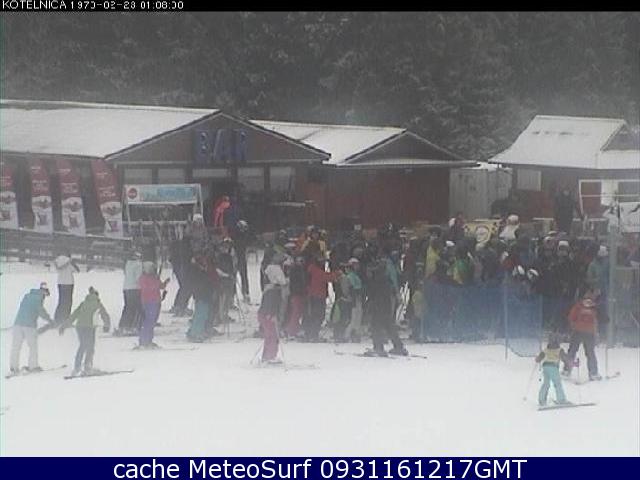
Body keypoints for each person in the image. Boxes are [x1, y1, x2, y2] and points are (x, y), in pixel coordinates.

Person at [59, 287, 110, 376]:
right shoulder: (98, 304)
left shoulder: (83, 303)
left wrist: (64, 326)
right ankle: (87, 366)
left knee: (82, 346)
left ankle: (77, 367)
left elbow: (74, 315)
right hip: (90, 328)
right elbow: (105, 315)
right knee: (90, 347)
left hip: (80, 327)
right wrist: (107, 325)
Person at [365, 256, 408, 356]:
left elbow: (372, 293)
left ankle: (378, 347)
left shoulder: (376, 280)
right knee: (389, 325)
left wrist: (370, 304)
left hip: (378, 306)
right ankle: (398, 346)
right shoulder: (386, 279)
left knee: (375, 326)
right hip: (386, 306)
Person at [9, 283, 54, 374]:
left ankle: (13, 367)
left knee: (16, 347)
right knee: (33, 347)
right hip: (29, 326)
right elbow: (41, 311)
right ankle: (33, 366)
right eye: (46, 295)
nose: (45, 298)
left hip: (17, 323)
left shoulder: (27, 296)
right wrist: (50, 320)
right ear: (44, 292)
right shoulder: (38, 298)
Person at [563, 291, 601, 381]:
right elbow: (571, 317)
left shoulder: (585, 307)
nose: (588, 302)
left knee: (579, 351)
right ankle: (592, 372)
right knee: (583, 352)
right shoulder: (586, 307)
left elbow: (571, 317)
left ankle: (567, 370)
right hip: (583, 332)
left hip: (583, 332)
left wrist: (573, 324)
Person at [258, 253, 288, 362]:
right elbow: (270, 304)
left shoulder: (271, 289)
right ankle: (269, 356)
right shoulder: (273, 291)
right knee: (272, 335)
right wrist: (271, 315)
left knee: (271, 335)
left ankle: (269, 355)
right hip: (268, 315)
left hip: (266, 315)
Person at [304, 255, 341, 342]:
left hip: (313, 296)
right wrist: (337, 273)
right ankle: (313, 334)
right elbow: (327, 277)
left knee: (313, 315)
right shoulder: (316, 270)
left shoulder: (311, 269)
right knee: (318, 316)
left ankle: (310, 334)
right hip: (318, 296)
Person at [138, 261, 170, 348]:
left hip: (156, 301)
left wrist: (165, 282)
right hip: (148, 302)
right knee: (148, 321)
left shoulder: (154, 277)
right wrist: (156, 284)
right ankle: (143, 340)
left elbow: (161, 286)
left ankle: (149, 340)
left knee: (152, 321)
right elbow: (147, 288)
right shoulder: (143, 278)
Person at [535, 334, 570, 406]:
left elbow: (539, 358)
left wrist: (538, 359)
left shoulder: (546, 350)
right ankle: (561, 399)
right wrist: (571, 363)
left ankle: (541, 400)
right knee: (557, 383)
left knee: (546, 383)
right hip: (553, 367)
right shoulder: (559, 350)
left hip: (545, 367)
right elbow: (565, 359)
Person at [186, 256, 214, 342]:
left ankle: (197, 331)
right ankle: (195, 333)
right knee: (200, 315)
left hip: (204, 296)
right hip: (202, 296)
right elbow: (200, 284)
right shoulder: (197, 272)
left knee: (203, 314)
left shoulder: (200, 272)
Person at [116, 251, 143, 336]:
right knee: (134, 308)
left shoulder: (127, 264)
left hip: (126, 288)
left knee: (127, 307)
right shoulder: (138, 265)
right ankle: (132, 326)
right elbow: (138, 278)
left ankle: (123, 325)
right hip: (135, 288)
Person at [53, 250, 80, 325]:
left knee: (61, 301)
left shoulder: (57, 260)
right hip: (68, 282)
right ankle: (65, 318)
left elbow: (57, 269)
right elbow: (76, 270)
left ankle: (57, 318)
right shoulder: (70, 261)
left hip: (60, 282)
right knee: (68, 302)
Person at [284, 255, 307, 338]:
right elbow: (296, 282)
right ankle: (291, 330)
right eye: (299, 261)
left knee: (298, 312)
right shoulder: (295, 270)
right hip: (296, 293)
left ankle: (294, 329)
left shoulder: (301, 270)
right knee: (295, 313)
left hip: (299, 293)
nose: (301, 263)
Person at [215, 237, 236, 325]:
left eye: (228, 246)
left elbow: (233, 266)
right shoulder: (219, 257)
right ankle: (219, 316)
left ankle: (224, 314)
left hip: (229, 280)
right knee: (221, 299)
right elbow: (217, 269)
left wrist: (232, 275)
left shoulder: (230, 256)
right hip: (221, 281)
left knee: (227, 298)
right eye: (224, 246)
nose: (226, 248)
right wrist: (226, 275)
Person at [342, 258, 365, 342]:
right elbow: (352, 288)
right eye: (355, 265)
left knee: (358, 317)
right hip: (355, 299)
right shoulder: (350, 276)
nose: (357, 267)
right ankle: (347, 335)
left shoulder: (355, 275)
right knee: (354, 318)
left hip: (358, 299)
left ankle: (355, 334)